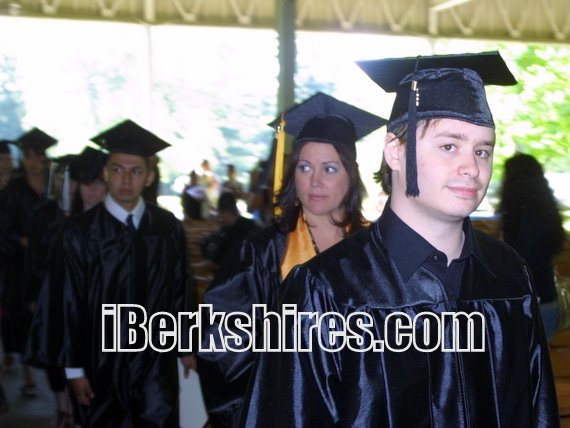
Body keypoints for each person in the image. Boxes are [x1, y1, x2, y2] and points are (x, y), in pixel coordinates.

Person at [241, 52, 559, 426]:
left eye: (482, 150)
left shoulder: (508, 274)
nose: (472, 167)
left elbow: (538, 411)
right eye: (449, 146)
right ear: (395, 151)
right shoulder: (326, 290)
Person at [197, 92, 387, 427]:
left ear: (350, 174)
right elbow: (222, 342)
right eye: (305, 167)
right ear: (292, 173)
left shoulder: (376, 250)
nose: (315, 181)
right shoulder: (261, 251)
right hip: (282, 411)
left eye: (330, 168)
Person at [59, 119, 194, 427]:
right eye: (117, 169)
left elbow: (181, 288)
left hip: (155, 360)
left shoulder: (166, 227)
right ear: (105, 173)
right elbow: (68, 300)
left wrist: (186, 346)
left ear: (149, 177)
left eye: (136, 171)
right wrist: (74, 369)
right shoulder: (80, 231)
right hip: (99, 359)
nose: (125, 179)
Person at [25, 147, 107, 428]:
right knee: (66, 360)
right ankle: (66, 408)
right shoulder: (65, 226)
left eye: (99, 183)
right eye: (86, 183)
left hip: (103, 319)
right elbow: (42, 264)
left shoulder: (117, 227)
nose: (92, 190)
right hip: (68, 307)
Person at [0, 127, 56, 396]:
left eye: (38, 157)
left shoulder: (54, 187)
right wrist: (22, 241)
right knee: (20, 316)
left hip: (48, 262)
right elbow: (2, 225)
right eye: (29, 157)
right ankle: (27, 372)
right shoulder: (13, 190)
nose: (34, 163)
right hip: (19, 263)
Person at [498, 153, 566, 340]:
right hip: (547, 301)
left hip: (528, 306)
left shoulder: (522, 218)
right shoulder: (547, 214)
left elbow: (522, 263)